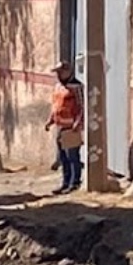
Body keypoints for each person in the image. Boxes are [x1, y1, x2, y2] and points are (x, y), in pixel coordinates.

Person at [46, 61, 85, 194]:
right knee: (62, 157)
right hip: (60, 126)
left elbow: (81, 106)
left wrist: (77, 123)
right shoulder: (58, 87)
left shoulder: (76, 86)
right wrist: (50, 120)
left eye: (60, 72)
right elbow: (56, 105)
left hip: (71, 127)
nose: (58, 75)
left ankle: (74, 182)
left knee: (72, 156)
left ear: (68, 71)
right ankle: (65, 182)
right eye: (57, 72)